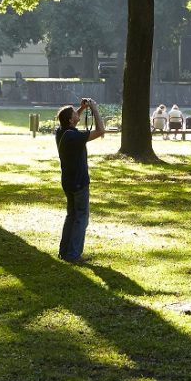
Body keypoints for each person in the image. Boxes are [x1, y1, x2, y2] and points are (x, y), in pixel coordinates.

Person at [55, 97, 105, 263]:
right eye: (74, 113)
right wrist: (95, 110)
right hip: (79, 182)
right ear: (70, 120)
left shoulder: (61, 132)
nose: (77, 113)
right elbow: (100, 131)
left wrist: (83, 108)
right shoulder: (74, 137)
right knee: (81, 218)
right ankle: (74, 254)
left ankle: (64, 251)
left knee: (71, 216)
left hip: (67, 181)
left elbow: (73, 116)